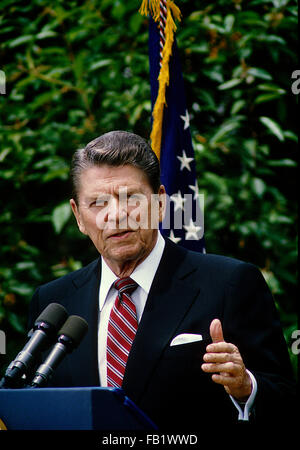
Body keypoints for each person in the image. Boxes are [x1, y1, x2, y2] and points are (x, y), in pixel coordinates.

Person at [28, 130, 295, 429]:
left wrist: (246, 387)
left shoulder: (230, 283)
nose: (117, 214)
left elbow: (286, 399)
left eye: (131, 198)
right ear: (78, 216)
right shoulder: (54, 302)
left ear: (160, 202)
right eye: (98, 203)